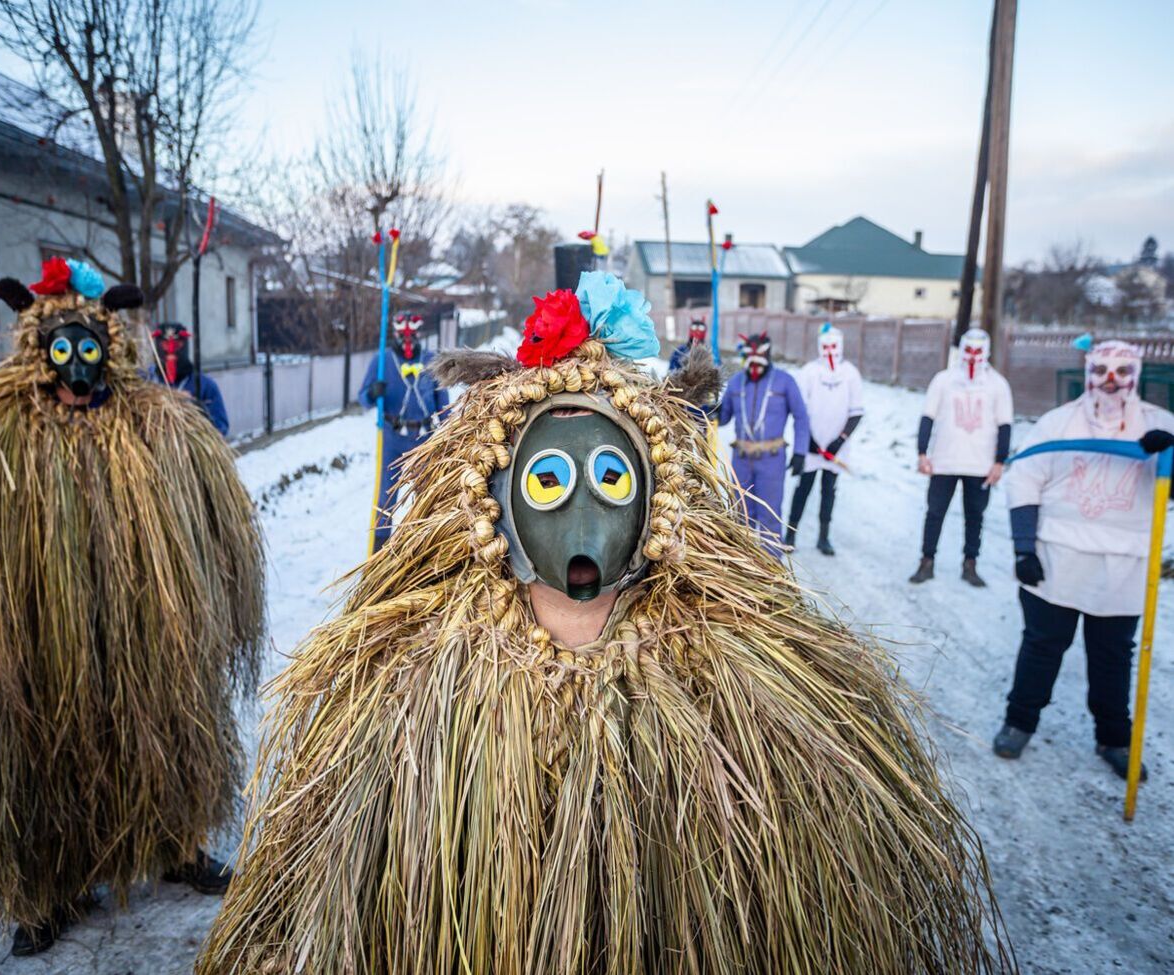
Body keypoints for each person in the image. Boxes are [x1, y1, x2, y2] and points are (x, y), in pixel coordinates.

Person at [197, 272, 1012, 975]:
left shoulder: (723, 673)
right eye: (548, 481)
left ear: (657, 496)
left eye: (613, 478)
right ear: (498, 498)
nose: (583, 521)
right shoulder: (416, 682)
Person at [0, 258, 265, 955]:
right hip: (39, 641)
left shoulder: (159, 425)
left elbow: (218, 517)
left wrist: (216, 600)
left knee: (164, 732)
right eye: (62, 351)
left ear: (108, 349)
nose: (77, 370)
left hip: (144, 630)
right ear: (40, 353)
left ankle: (174, 843)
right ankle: (50, 890)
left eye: (90, 349)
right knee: (45, 756)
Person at [993, 338, 1174, 779]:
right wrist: (1024, 547)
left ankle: (1114, 737)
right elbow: (1024, 481)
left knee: (1113, 657)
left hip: (1125, 567)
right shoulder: (1059, 423)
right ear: (1088, 372)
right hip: (1057, 559)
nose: (1111, 381)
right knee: (1041, 647)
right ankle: (1019, 722)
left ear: (1137, 374)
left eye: (1121, 372)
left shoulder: (1160, 424)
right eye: (1101, 371)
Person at [909, 327, 1012, 586]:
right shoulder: (943, 380)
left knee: (975, 515)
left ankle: (970, 563)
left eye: (979, 351)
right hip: (944, 461)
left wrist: (1000, 461)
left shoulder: (997, 385)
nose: (973, 356)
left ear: (986, 352)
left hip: (980, 463)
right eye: (969, 350)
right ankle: (927, 561)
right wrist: (922, 453)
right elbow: (928, 417)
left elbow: (1005, 425)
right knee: (935, 512)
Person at [358, 313, 449, 551]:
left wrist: (450, 430)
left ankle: (426, 545)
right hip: (393, 437)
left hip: (425, 437)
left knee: (428, 491)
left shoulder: (431, 360)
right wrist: (372, 393)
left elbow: (444, 402)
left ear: (420, 334)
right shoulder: (382, 361)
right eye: (403, 335)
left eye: (412, 335)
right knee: (386, 495)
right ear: (396, 334)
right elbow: (363, 398)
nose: (408, 340)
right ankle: (379, 548)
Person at [718, 331, 809, 550]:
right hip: (740, 460)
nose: (755, 361)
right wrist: (708, 408)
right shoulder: (736, 382)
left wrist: (800, 452)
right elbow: (723, 417)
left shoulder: (784, 381)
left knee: (769, 517)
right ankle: (742, 568)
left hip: (771, 460)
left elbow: (801, 416)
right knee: (740, 516)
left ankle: (770, 572)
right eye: (750, 355)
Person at [786, 323, 864, 555]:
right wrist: (807, 440)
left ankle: (824, 537)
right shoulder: (809, 371)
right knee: (803, 489)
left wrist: (839, 441)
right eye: (826, 346)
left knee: (829, 491)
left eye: (834, 346)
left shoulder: (850, 373)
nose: (830, 350)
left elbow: (856, 412)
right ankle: (790, 534)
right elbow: (799, 408)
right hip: (811, 445)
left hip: (836, 449)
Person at [147, 321, 230, 435]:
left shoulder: (205, 385)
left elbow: (222, 428)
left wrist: (201, 413)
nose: (171, 351)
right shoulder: (146, 381)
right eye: (165, 345)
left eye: (177, 345)